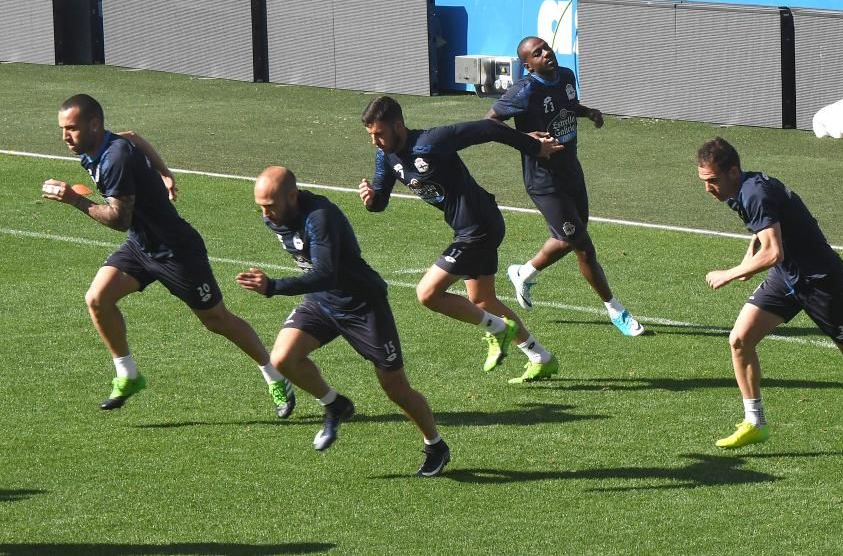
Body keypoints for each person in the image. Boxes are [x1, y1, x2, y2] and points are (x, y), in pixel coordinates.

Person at [43, 94, 295, 416]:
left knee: (217, 320)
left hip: (176, 252)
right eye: (63, 129)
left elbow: (119, 220)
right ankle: (128, 375)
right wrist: (165, 172)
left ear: (94, 125)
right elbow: (133, 136)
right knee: (97, 298)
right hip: (141, 246)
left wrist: (74, 200)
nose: (65, 137)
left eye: (72, 129)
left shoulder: (114, 159)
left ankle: (274, 376)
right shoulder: (102, 146)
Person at [696, 137, 843, 448]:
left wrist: (731, 273)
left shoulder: (755, 192)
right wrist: (746, 262)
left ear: (732, 171)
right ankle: (755, 421)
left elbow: (773, 252)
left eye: (712, 180)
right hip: (788, 278)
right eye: (703, 181)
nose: (708, 188)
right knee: (740, 340)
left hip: (822, 281)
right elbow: (762, 233)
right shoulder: (738, 191)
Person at [236, 167, 449, 475]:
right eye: (260, 205)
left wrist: (273, 287)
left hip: (363, 306)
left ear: (292, 197)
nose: (265, 213)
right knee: (283, 358)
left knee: (395, 387)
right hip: (322, 303)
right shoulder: (275, 218)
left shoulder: (321, 217)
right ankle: (335, 404)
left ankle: (436, 445)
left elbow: (326, 273)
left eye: (270, 204)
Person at [359, 96, 561, 384]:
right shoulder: (386, 157)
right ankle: (541, 358)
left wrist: (534, 147)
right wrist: (370, 200)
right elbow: (380, 202)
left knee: (427, 293)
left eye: (379, 134)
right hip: (472, 225)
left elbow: (488, 129)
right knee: (482, 299)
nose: (375, 142)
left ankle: (497, 330)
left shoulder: (431, 142)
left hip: (477, 226)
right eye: (371, 136)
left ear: (398, 126)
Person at [487, 36, 645, 337]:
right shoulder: (523, 91)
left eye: (546, 48)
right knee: (583, 247)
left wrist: (587, 112)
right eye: (537, 53)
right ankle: (615, 310)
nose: (546, 53)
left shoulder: (567, 76)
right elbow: (488, 124)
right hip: (544, 182)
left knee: (569, 237)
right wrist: (527, 140)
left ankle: (523, 273)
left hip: (571, 171)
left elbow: (567, 105)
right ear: (527, 64)